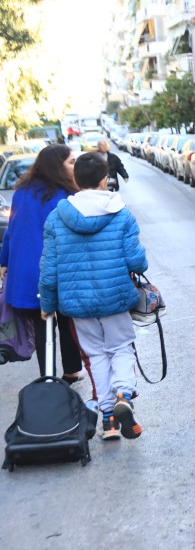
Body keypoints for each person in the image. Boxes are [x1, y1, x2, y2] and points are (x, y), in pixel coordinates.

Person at [38, 152, 149, 441]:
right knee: (121, 347)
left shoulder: (57, 217)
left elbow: (49, 267)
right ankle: (124, 392)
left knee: (97, 355)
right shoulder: (121, 212)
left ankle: (109, 419)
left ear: (75, 179)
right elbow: (137, 262)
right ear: (104, 180)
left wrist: (47, 304)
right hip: (115, 297)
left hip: (78, 303)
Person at [0, 144, 84, 384]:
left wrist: (4, 260)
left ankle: (47, 376)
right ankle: (71, 370)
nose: (74, 166)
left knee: (41, 324)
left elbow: (11, 231)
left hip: (28, 270)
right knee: (67, 320)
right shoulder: (66, 195)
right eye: (71, 162)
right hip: (58, 268)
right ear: (57, 166)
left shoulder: (22, 192)